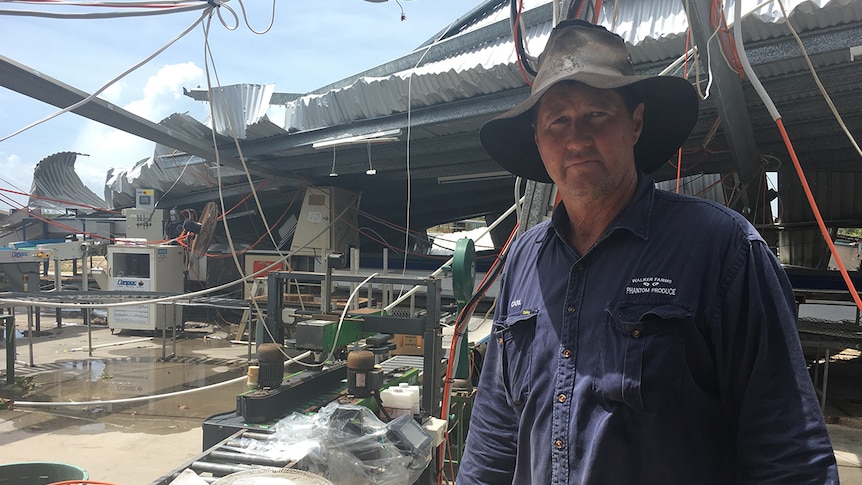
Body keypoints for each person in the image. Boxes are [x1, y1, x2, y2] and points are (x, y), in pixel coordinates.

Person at [457, 20, 838, 484]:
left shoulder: (721, 248)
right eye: (557, 120)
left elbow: (788, 449)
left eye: (596, 114)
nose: (576, 138)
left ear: (634, 122)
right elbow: (496, 434)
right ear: (538, 141)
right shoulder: (524, 261)